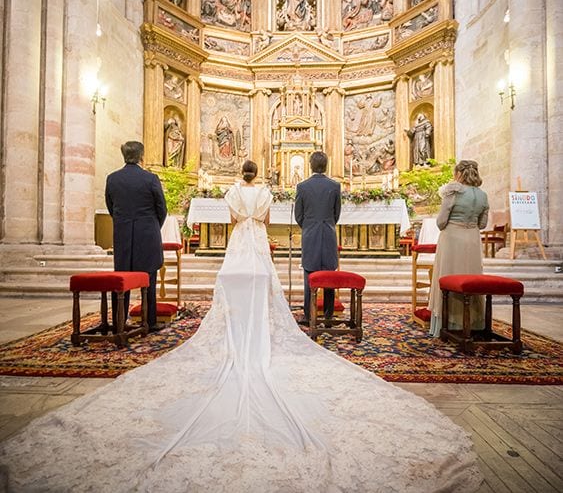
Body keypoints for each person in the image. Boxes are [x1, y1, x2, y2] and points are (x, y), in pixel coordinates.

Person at [0, 159, 483, 493]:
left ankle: (215, 323)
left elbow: (236, 216)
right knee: (262, 279)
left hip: (238, 240)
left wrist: (244, 218)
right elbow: (273, 217)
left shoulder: (234, 193)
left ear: (241, 175)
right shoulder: (277, 193)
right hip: (263, 240)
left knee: (234, 277)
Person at [104, 141, 167, 332]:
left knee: (122, 277)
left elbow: (110, 206)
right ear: (142, 156)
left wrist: (123, 222)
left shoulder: (112, 179)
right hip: (147, 234)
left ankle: (119, 321)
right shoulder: (151, 179)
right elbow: (161, 208)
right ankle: (150, 321)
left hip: (122, 234)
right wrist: (153, 226)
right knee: (148, 278)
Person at [428, 160, 490, 338]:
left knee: (449, 276)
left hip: (452, 239)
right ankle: (473, 322)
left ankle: (448, 322)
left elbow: (441, 221)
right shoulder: (483, 195)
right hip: (472, 240)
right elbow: (483, 224)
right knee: (471, 278)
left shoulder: (454, 190)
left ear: (459, 174)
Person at [294, 151, 340, 326]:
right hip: (328, 233)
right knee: (329, 273)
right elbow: (337, 214)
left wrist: (309, 227)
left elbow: (299, 215)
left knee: (309, 274)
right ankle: (328, 316)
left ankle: (308, 314)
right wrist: (326, 224)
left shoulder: (303, 187)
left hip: (310, 234)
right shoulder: (334, 186)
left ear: (311, 165)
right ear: (326, 165)